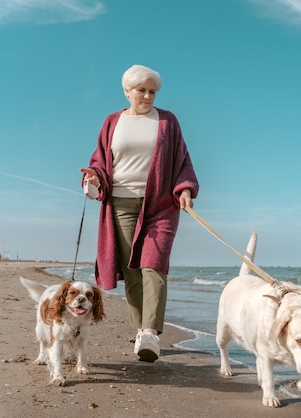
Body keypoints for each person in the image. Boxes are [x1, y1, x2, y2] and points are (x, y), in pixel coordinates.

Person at [81, 64, 199, 363]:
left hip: (160, 205)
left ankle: (150, 333)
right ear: (127, 91)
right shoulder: (112, 122)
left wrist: (185, 189)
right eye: (141, 91)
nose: (147, 97)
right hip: (120, 204)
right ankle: (140, 330)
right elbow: (100, 161)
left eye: (152, 92)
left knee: (154, 266)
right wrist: (95, 177)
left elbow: (182, 160)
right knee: (132, 270)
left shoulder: (167, 122)